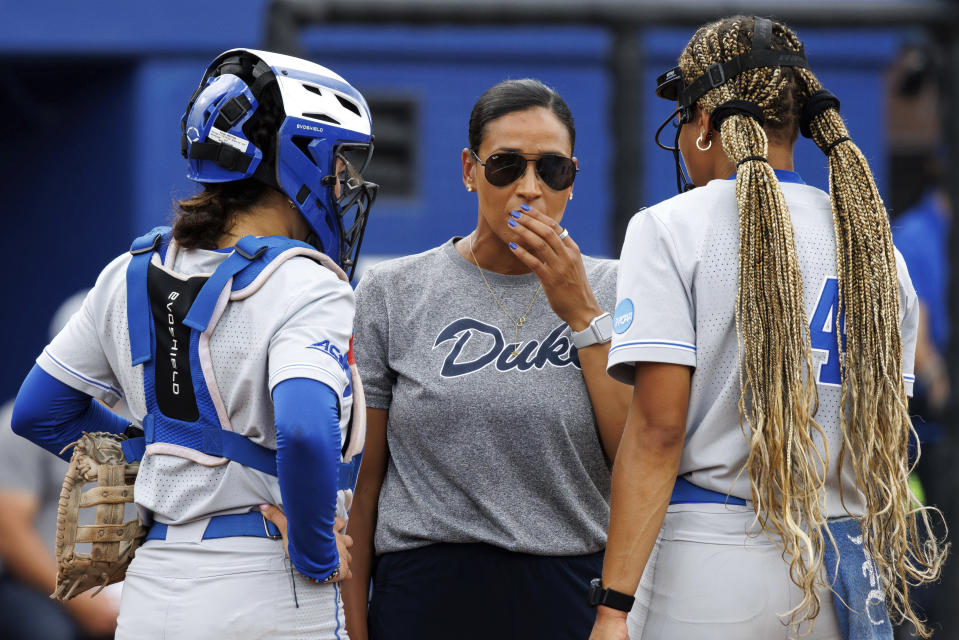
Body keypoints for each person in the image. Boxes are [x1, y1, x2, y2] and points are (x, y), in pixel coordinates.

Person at [589, 16, 947, 640]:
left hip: (708, 559)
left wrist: (613, 605)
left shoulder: (671, 226)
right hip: (841, 571)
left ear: (704, 123)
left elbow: (657, 429)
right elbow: (885, 433)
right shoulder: (873, 243)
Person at [10, 48, 377, 639]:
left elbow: (37, 412)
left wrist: (157, 454)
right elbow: (306, 429)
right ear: (297, 160)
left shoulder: (128, 269)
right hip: (267, 583)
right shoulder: (306, 281)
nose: (343, 181)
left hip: (152, 590)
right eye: (339, 162)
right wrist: (316, 555)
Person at [343, 78, 631, 640]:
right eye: (506, 166)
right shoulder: (391, 291)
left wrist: (582, 315)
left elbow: (636, 453)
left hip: (568, 589)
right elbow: (365, 482)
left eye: (552, 170)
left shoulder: (616, 289)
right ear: (470, 170)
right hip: (426, 590)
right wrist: (352, 626)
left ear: (573, 179)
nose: (529, 188)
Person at [0, 291, 121, 640]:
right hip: (42, 588)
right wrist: (80, 602)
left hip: (126, 587)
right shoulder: (25, 421)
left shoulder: (142, 422)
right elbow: (9, 534)